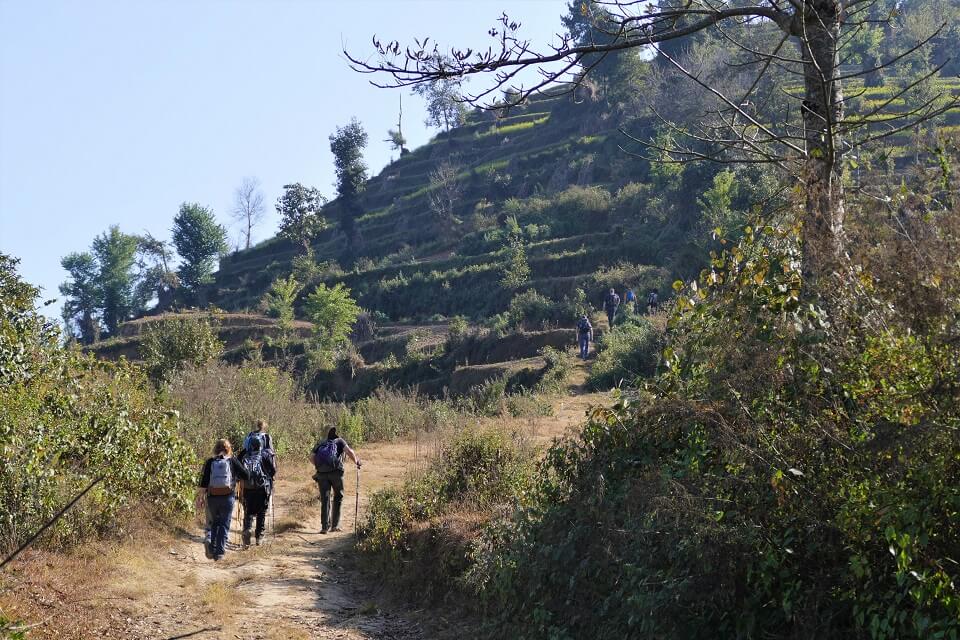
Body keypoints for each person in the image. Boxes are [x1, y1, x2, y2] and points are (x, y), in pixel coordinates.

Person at [198, 439, 249, 561]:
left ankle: (211, 543)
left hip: (212, 497)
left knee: (214, 523)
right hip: (228, 497)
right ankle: (219, 553)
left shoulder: (210, 462)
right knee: (224, 524)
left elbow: (204, 481)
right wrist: (236, 476)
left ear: (215, 449)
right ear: (228, 449)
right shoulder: (232, 461)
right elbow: (246, 475)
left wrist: (200, 498)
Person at [310, 427, 362, 534]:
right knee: (338, 496)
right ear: (335, 434)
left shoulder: (320, 443)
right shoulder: (339, 441)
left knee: (325, 499)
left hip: (321, 474)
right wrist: (356, 462)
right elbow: (349, 451)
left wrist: (319, 466)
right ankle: (335, 526)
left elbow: (311, 457)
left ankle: (324, 527)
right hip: (336, 473)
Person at [239, 437, 276, 548]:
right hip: (262, 488)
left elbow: (237, 466)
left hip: (248, 488)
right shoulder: (265, 455)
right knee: (261, 512)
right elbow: (273, 470)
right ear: (261, 445)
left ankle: (247, 530)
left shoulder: (244, 456)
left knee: (248, 511)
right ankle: (259, 537)